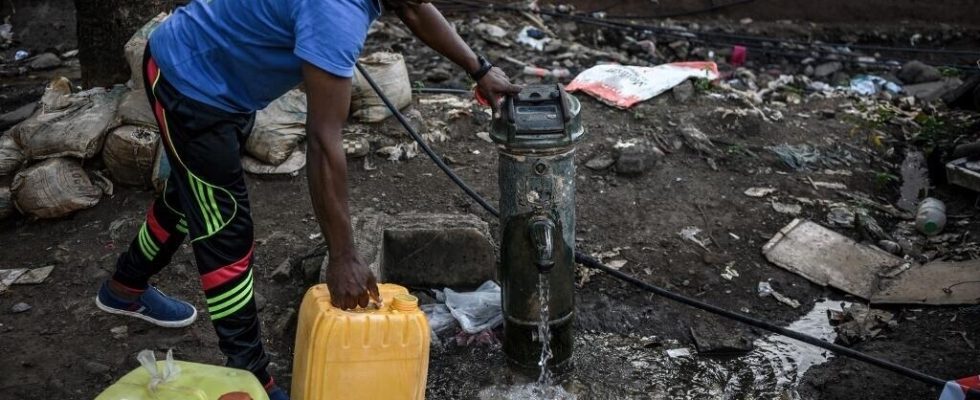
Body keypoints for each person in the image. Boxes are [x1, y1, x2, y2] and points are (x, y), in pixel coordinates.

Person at [92, 0, 521, 398]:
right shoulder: (335, 15)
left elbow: (413, 6)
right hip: (188, 82)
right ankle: (249, 372)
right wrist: (343, 255)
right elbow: (323, 141)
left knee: (192, 194)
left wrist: (478, 68)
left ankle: (124, 287)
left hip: (221, 80)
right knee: (225, 227)